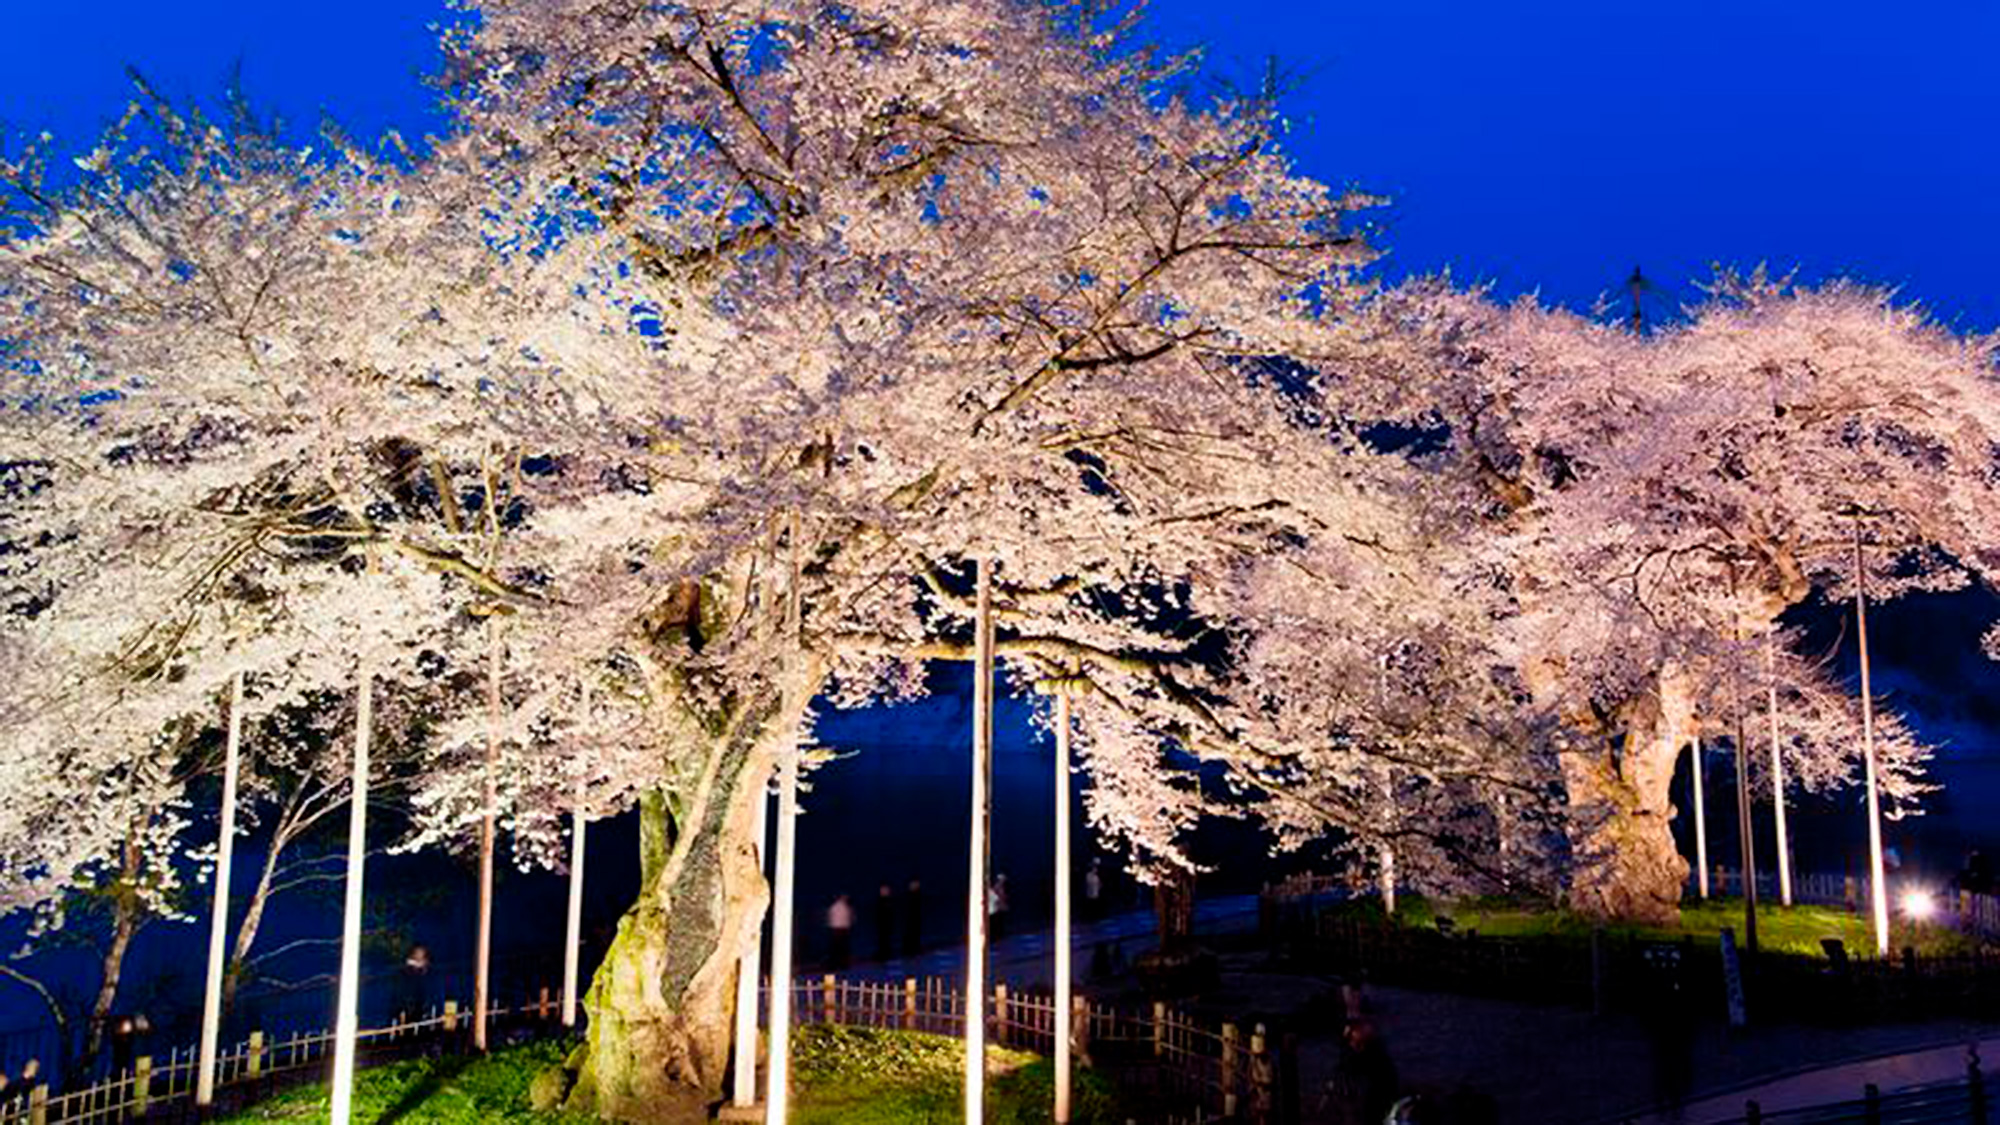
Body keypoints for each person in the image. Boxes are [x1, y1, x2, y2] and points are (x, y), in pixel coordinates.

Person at [827, 894, 854, 970]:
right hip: (843, 929)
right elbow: (849, 919)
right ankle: (842, 964)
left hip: (835, 929)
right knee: (842, 948)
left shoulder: (833, 906)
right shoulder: (846, 907)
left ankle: (834, 964)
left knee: (835, 948)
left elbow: (830, 917)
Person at [873, 884, 896, 962]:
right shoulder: (880, 901)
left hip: (886, 924)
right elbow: (878, 913)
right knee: (882, 940)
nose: (885, 892)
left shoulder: (889, 901)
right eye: (883, 890)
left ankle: (886, 954)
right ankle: (883, 954)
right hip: (882, 924)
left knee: (886, 940)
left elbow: (891, 913)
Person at [903, 879, 924, 956]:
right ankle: (908, 950)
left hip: (916, 918)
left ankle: (915, 948)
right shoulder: (908, 896)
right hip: (910, 919)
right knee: (909, 933)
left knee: (916, 933)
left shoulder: (918, 895)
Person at [988, 873, 1011, 941]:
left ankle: (998, 936)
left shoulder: (1002, 887)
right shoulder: (995, 888)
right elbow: (997, 899)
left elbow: (1002, 897)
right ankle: (994, 937)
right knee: (994, 923)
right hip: (994, 909)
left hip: (997, 909)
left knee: (998, 922)